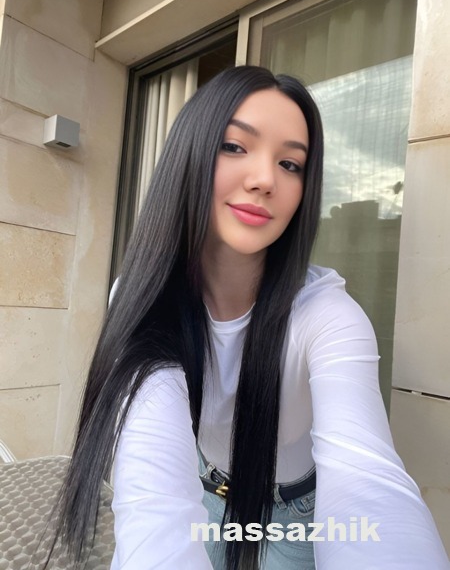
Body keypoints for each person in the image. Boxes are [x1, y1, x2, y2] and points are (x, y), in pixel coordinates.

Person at [51, 65, 449, 570]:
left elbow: (369, 484)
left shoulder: (328, 317)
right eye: (235, 146)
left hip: (300, 515)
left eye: (290, 164)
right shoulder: (142, 299)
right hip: (203, 491)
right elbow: (154, 504)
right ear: (189, 154)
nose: (265, 180)